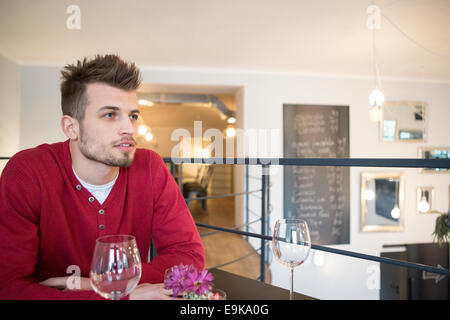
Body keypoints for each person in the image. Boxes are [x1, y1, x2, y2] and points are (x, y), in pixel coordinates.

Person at [0, 54, 205, 300]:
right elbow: (9, 288)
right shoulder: (28, 172)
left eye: (133, 116)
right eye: (110, 115)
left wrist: (88, 285)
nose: (129, 128)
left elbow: (189, 259)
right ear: (71, 127)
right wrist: (125, 296)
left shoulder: (151, 167)